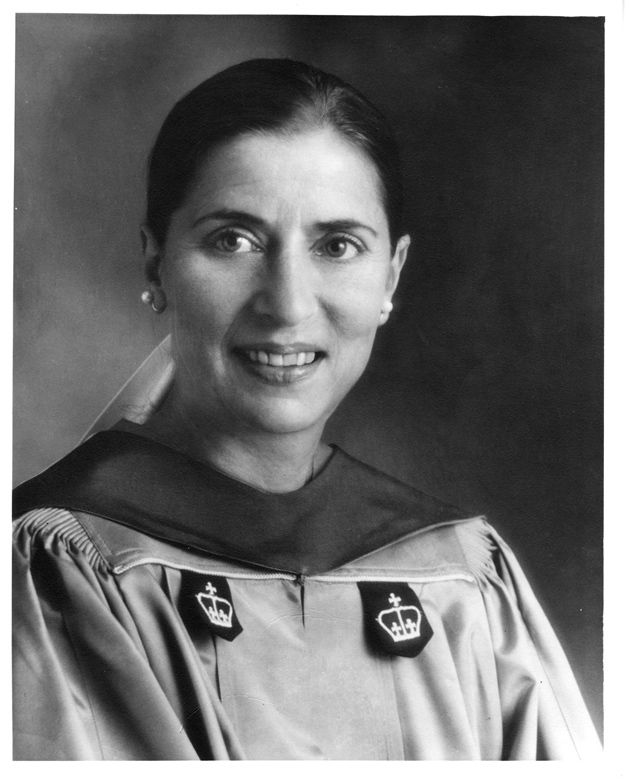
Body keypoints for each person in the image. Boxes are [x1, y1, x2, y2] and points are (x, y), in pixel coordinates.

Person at [12, 58, 600, 760]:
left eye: (336, 246)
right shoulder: (60, 569)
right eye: (233, 240)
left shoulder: (460, 573)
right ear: (155, 263)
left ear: (391, 275)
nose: (287, 303)